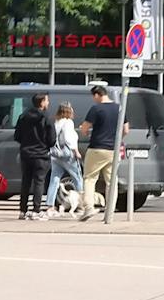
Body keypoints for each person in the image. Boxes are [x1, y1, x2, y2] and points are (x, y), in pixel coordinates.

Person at [76, 82, 123, 223]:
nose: (93, 99)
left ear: (97, 95)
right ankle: (110, 211)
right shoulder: (119, 108)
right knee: (111, 181)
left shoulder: (96, 109)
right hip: (113, 150)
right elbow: (125, 129)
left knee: (90, 178)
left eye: (94, 97)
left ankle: (89, 207)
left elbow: (84, 128)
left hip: (97, 148)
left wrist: (86, 132)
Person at [13, 93, 56, 222]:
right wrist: (45, 145)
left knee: (25, 181)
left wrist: (26, 144)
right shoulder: (46, 118)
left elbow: (17, 136)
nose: (48, 103)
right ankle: (36, 210)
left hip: (26, 153)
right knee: (39, 182)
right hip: (41, 154)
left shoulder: (23, 116)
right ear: (42, 102)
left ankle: (22, 210)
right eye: (47, 101)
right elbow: (52, 138)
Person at [44, 103, 83, 214]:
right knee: (77, 178)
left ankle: (50, 205)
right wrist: (76, 151)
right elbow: (68, 138)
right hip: (67, 155)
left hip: (56, 155)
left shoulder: (56, 122)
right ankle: (81, 204)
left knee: (54, 179)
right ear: (68, 111)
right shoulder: (68, 122)